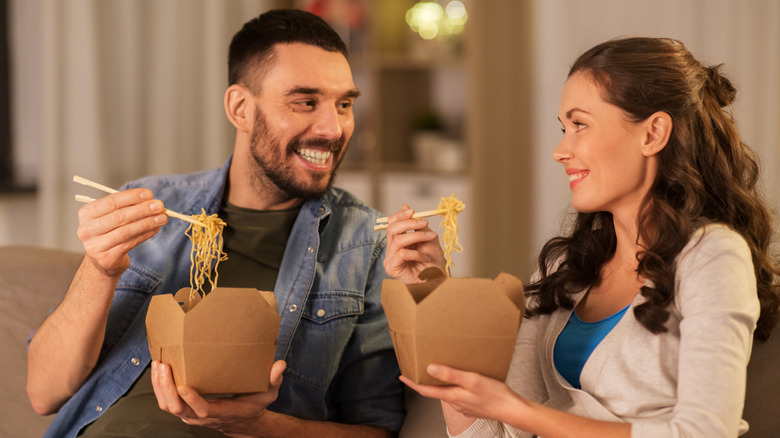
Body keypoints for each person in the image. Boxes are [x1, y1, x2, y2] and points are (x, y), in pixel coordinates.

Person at [27, 9, 408, 438]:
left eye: (344, 104)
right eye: (305, 102)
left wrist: (256, 426)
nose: (333, 128)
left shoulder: (368, 244)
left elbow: (378, 430)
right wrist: (98, 271)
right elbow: (43, 393)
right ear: (240, 108)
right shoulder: (153, 204)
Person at [383, 37, 780, 437]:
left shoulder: (712, 256)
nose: (560, 150)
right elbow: (495, 434)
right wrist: (432, 292)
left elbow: (705, 432)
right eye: (563, 129)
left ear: (653, 133)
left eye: (579, 125)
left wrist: (520, 411)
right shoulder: (567, 267)